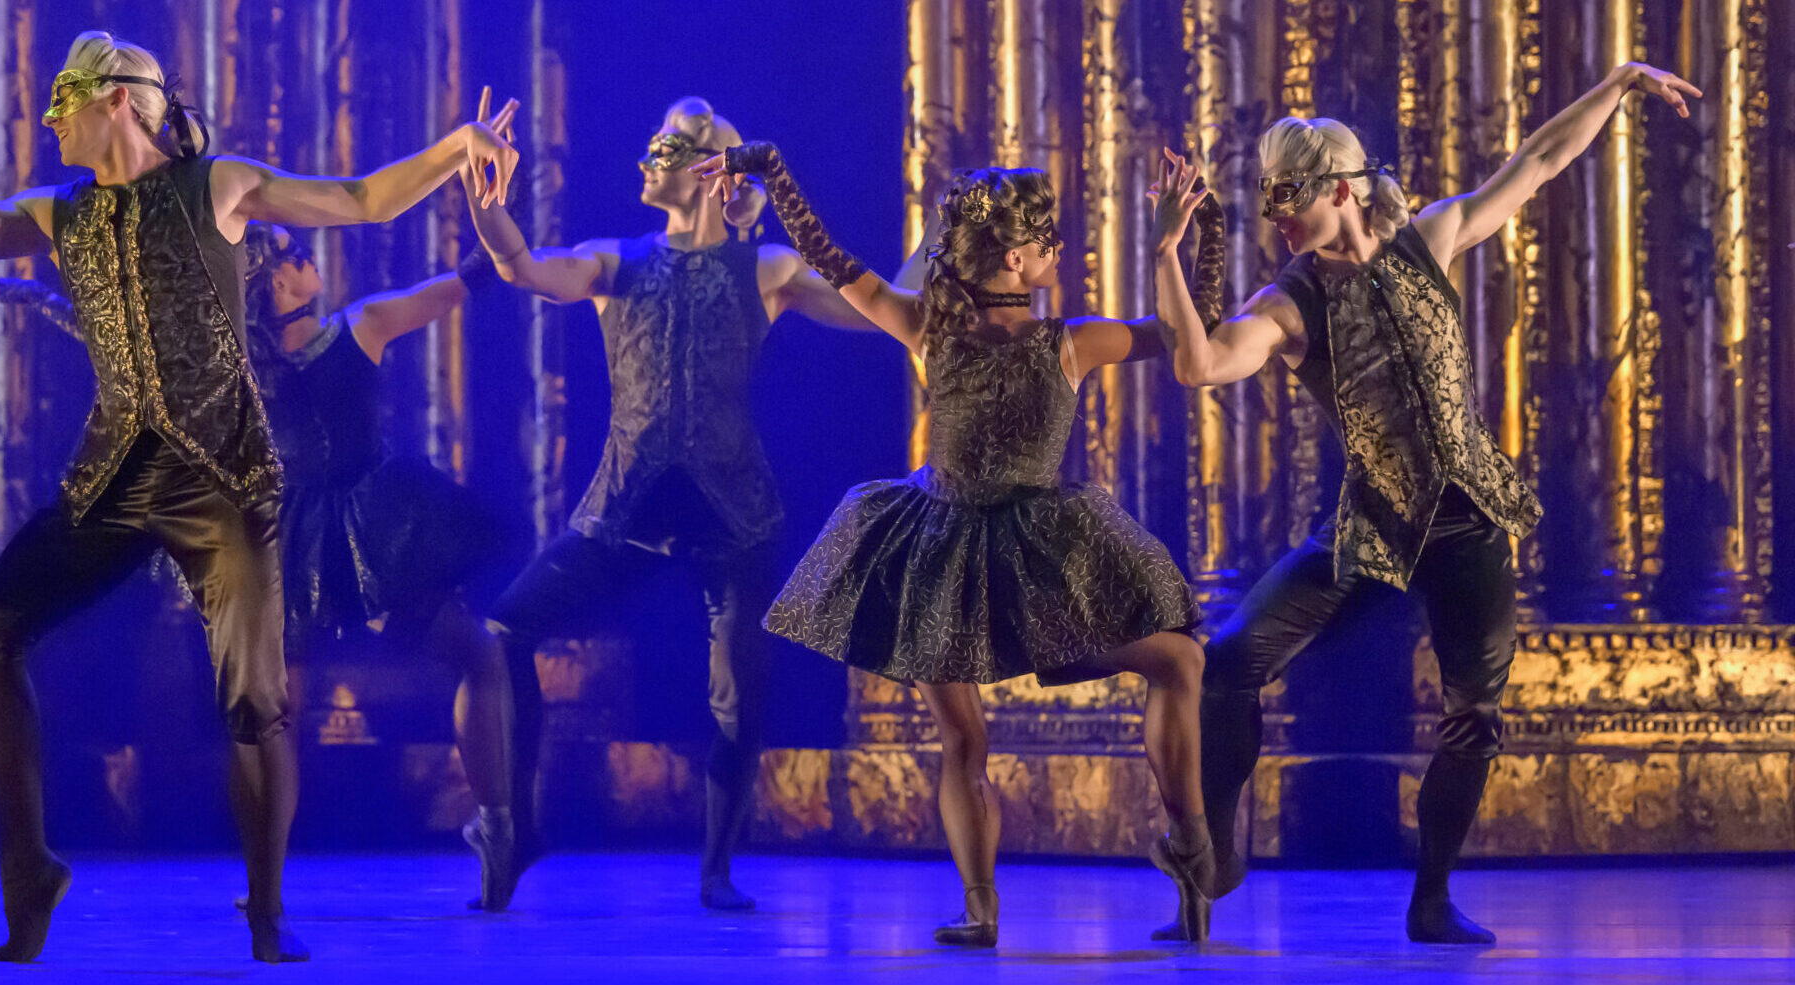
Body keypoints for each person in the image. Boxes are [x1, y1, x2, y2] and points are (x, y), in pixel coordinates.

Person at [0, 18, 517, 962]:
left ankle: (268, 913)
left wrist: (458, 147)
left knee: (255, 701)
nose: (50, 116)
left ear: (115, 101)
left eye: (64, 99)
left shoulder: (216, 184)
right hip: (115, 475)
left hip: (220, 474)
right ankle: (31, 876)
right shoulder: (57, 211)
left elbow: (359, 200)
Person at [1145, 61, 1700, 944]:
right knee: (1232, 657)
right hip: (1371, 525)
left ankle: (1432, 896)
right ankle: (1217, 853)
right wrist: (1167, 256)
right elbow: (1198, 364)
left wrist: (1619, 84)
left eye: (1288, 200)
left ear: (1338, 190)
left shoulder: (1430, 238)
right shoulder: (1290, 305)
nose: (1275, 221)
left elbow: (1540, 161)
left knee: (1475, 712)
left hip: (1468, 518)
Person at [708, 143, 1218, 946]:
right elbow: (830, 259)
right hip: (941, 555)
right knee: (971, 734)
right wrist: (768, 172)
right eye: (1050, 241)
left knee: (1176, 661)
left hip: (1033, 559)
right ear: (1018, 257)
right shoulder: (957, 331)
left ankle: (1188, 840)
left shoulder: (1053, 339)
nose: (1059, 250)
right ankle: (980, 906)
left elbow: (1195, 335)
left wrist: (1189, 236)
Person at [460, 96, 876, 911]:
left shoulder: (765, 269)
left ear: (709, 170)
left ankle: (717, 866)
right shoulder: (616, 261)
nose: (647, 157)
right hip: (627, 502)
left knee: (737, 689)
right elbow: (524, 268)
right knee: (507, 627)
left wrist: (938, 245)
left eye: (667, 146)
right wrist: (491, 210)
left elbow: (878, 310)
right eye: (651, 143)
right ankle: (517, 822)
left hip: (733, 506)